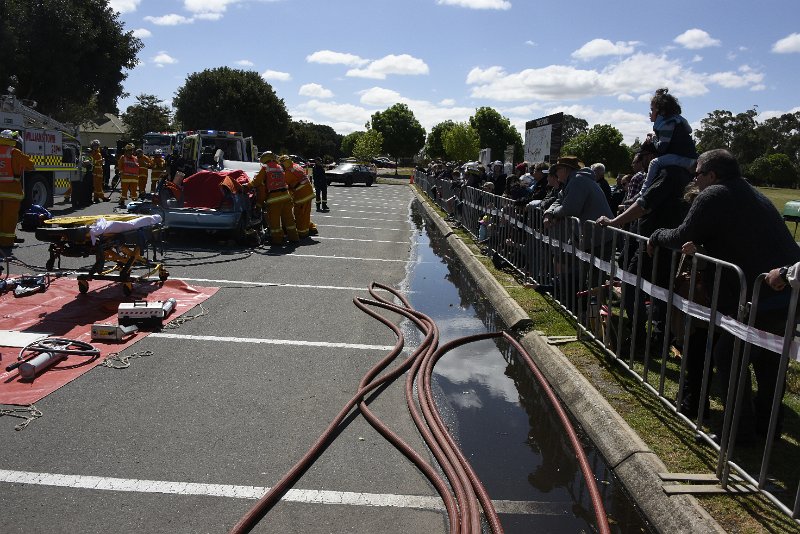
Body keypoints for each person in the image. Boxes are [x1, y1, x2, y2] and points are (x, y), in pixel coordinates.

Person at [648, 149, 800, 442]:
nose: (695, 181)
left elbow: (682, 235)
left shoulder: (714, 194)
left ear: (712, 175)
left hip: (762, 295)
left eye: (697, 175)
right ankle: (767, 428)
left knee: (728, 355)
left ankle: (739, 432)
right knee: (769, 362)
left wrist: (656, 235)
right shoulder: (751, 193)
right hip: (786, 295)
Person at [639, 88, 698, 196]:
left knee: (654, 162)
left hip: (683, 158)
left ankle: (643, 193)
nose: (650, 113)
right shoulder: (675, 120)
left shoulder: (667, 124)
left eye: (652, 110)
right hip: (688, 157)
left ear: (661, 112)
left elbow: (662, 147)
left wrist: (653, 138)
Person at [249, 151, 298, 246]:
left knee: (274, 222)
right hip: (286, 196)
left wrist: (247, 186)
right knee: (289, 220)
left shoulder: (266, 168)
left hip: (274, 198)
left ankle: (277, 240)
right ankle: (294, 238)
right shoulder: (279, 167)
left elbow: (257, 181)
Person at [0, 130, 33, 254]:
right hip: (12, 192)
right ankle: (7, 244)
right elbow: (30, 165)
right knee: (9, 219)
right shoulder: (14, 152)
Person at [280, 155, 317, 238]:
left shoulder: (288, 172)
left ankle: (302, 232)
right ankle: (311, 228)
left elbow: (283, 184)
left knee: (300, 214)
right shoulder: (296, 166)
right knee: (305, 213)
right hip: (308, 192)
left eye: (281, 165)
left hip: (302, 195)